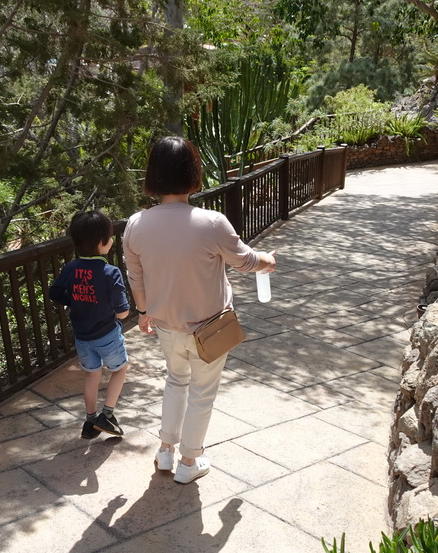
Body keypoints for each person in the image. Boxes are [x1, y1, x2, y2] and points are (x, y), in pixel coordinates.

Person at [123, 136, 276, 484]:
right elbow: (245, 260)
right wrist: (268, 261)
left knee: (175, 381)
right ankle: (189, 462)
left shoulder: (136, 224)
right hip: (209, 327)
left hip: (165, 325)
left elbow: (136, 274)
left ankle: (165, 451)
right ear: (193, 172)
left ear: (154, 175)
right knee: (202, 393)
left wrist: (144, 312)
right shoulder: (211, 222)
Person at [49, 210, 130, 439]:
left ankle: (90, 420)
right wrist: (117, 314)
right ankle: (108, 414)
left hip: (82, 336)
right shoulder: (110, 272)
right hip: (107, 334)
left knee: (92, 375)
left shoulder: (71, 268)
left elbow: (54, 292)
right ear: (103, 243)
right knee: (120, 368)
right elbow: (123, 312)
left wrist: (73, 301)